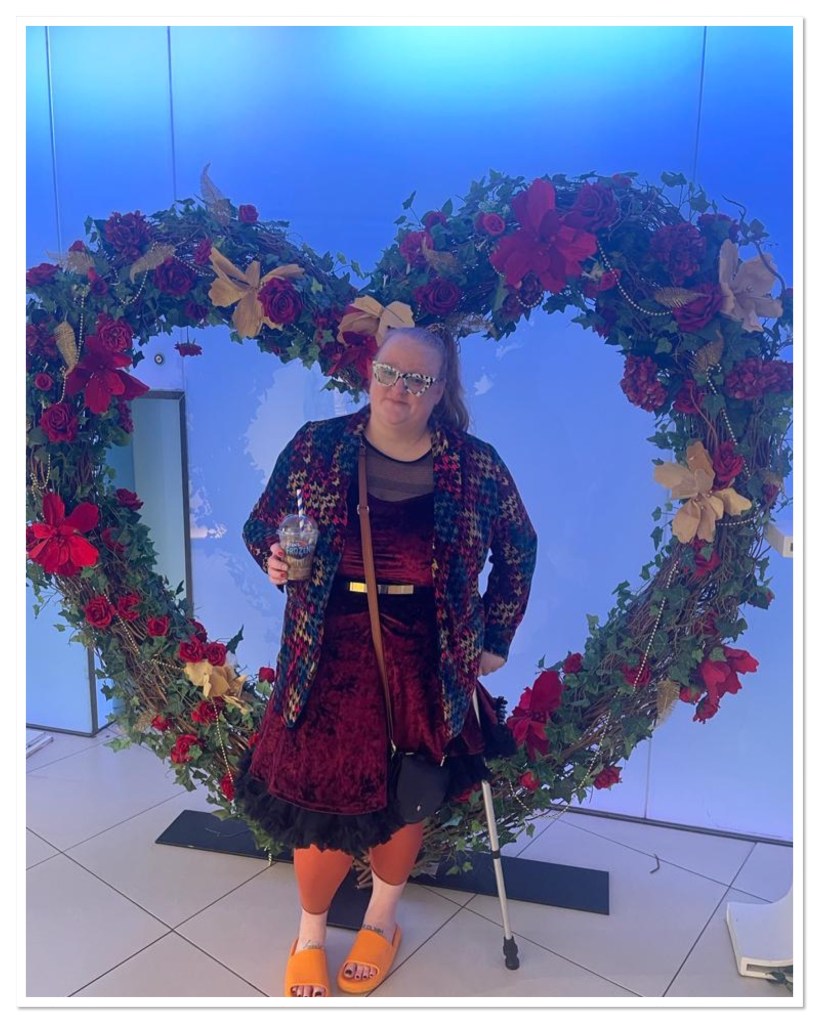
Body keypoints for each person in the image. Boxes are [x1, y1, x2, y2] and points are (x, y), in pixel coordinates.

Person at [234, 324, 537, 997]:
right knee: (316, 789)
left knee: (407, 788)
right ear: (368, 374)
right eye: (388, 372)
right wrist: (275, 559)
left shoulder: (475, 464)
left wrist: (494, 634)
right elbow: (263, 524)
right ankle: (309, 932)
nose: (400, 388)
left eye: (418, 378)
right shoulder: (317, 444)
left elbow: (518, 547)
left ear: (440, 390)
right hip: (324, 647)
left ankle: (379, 922)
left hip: (427, 654)